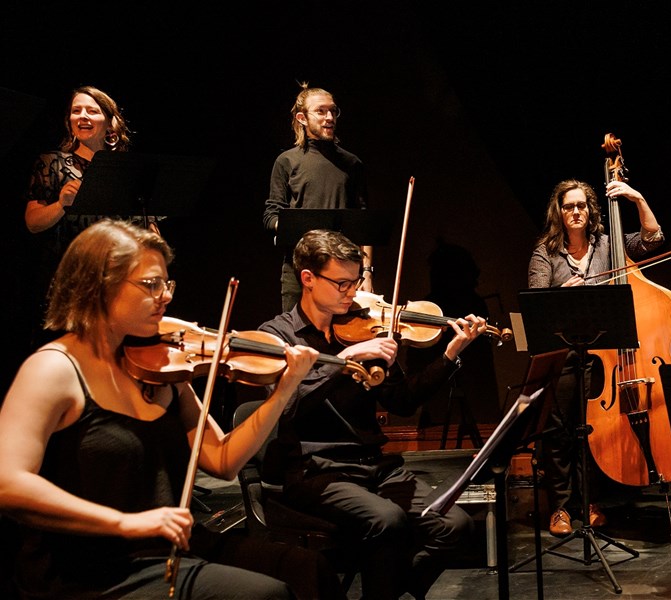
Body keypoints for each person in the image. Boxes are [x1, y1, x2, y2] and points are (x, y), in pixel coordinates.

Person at [0, 220, 334, 599]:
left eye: (166, 284)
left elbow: (223, 461)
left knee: (310, 570)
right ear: (99, 285)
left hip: (172, 548)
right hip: (91, 568)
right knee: (264, 594)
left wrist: (284, 389)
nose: (166, 297)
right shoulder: (53, 370)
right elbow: (7, 484)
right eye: (150, 285)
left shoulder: (162, 366)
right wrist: (125, 523)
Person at [259, 229, 487, 600]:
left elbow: (402, 401)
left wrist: (449, 354)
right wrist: (344, 359)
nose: (352, 292)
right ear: (308, 279)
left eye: (356, 281)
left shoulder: (365, 328)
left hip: (374, 468)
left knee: (456, 525)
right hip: (315, 470)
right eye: (342, 283)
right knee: (388, 520)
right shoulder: (279, 336)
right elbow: (287, 405)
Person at [527, 178, 665, 536]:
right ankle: (559, 507)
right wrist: (561, 294)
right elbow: (536, 307)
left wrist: (636, 197)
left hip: (602, 354)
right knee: (558, 431)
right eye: (568, 206)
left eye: (581, 206)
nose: (575, 212)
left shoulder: (608, 245)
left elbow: (653, 239)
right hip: (562, 355)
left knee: (589, 431)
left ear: (591, 211)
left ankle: (589, 501)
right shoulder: (546, 252)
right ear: (559, 212)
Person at [23, 86, 140, 348]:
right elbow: (32, 223)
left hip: (117, 285)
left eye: (92, 111)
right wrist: (62, 204)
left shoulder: (127, 171)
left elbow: (149, 230)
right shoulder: (53, 162)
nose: (83, 116)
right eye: (76, 111)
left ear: (110, 122)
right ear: (69, 121)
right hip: (69, 286)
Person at [262, 84, 373, 312]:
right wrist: (291, 226)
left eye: (333, 111)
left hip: (342, 272)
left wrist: (367, 272)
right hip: (300, 268)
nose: (329, 117)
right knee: (296, 337)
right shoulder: (287, 161)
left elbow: (365, 224)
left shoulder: (352, 164)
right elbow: (271, 214)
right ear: (302, 118)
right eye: (321, 111)